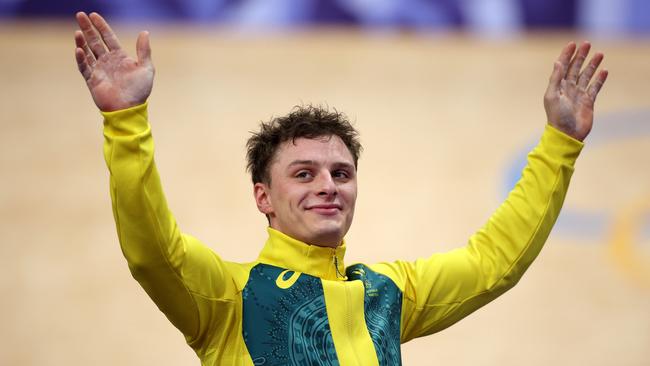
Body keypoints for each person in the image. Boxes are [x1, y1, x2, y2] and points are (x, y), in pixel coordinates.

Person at [74, 11, 607, 366]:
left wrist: (561, 141)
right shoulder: (226, 298)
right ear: (264, 198)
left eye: (341, 173)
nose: (327, 186)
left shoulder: (390, 294)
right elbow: (151, 251)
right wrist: (126, 122)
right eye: (303, 173)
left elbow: (495, 262)